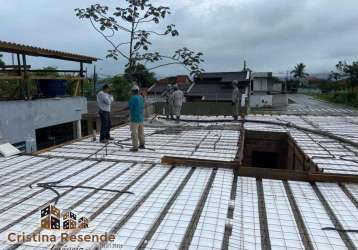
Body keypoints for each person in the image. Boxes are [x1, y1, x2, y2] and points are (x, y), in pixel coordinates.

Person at [128, 85, 145, 152]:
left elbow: (130, 107)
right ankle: (142, 144)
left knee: (134, 133)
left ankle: (135, 147)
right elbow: (142, 106)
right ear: (138, 91)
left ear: (133, 91)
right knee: (141, 132)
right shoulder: (141, 97)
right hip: (141, 118)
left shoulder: (132, 98)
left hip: (134, 119)